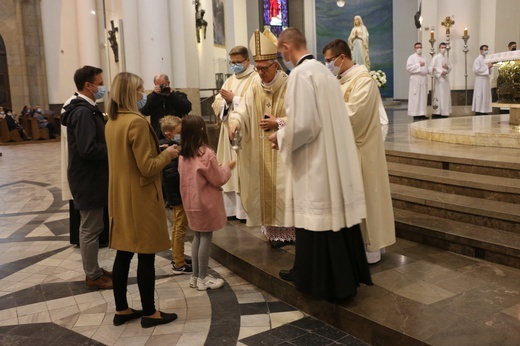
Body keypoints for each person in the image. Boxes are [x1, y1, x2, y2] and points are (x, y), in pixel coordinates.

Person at [271, 27, 372, 301]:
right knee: (332, 223)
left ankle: (319, 281)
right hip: (331, 159)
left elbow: (304, 125)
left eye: (281, 52)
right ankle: (338, 279)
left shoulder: (300, 76)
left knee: (318, 221)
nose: (283, 57)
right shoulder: (325, 74)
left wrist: (280, 136)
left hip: (315, 162)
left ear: (288, 48)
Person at [105, 72, 179, 328]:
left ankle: (122, 309)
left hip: (121, 196)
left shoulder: (112, 121)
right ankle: (150, 313)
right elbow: (147, 167)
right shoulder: (136, 122)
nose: (143, 94)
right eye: (139, 90)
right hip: (140, 196)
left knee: (124, 253)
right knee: (146, 253)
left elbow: (128, 158)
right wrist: (168, 153)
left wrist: (155, 151)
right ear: (130, 93)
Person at [322, 38, 395, 264]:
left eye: (329, 60)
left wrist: (324, 107)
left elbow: (354, 116)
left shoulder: (363, 81)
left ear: (342, 57)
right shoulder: (339, 80)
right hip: (345, 153)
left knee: (366, 200)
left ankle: (369, 249)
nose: (327, 65)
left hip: (362, 153)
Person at [228, 28, 295, 249]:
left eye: (264, 69)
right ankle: (272, 232)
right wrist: (235, 122)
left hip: (284, 150)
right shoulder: (255, 85)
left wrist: (280, 122)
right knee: (264, 189)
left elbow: (303, 117)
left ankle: (289, 231)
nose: (260, 73)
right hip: (260, 149)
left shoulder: (290, 85)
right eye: (257, 68)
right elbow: (243, 109)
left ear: (276, 65)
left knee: (285, 190)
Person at [61, 66, 112, 290]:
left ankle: (94, 269)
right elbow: (88, 149)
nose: (102, 87)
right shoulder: (82, 112)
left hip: (92, 177)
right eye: (100, 83)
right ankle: (92, 275)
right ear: (88, 86)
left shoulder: (87, 109)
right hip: (87, 178)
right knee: (90, 228)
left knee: (94, 225)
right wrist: (114, 149)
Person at [179, 114, 235, 291]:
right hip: (205, 203)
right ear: (202, 130)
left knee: (196, 236)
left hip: (190, 202)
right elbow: (218, 179)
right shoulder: (206, 154)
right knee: (205, 237)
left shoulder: (182, 155)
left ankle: (195, 276)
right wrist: (227, 168)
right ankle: (203, 277)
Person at [212, 45, 256, 221]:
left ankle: (245, 210)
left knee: (242, 169)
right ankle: (231, 210)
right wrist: (224, 102)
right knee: (229, 168)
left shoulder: (255, 79)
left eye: (238, 62)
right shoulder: (229, 81)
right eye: (232, 63)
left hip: (245, 133)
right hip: (227, 130)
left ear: (247, 61)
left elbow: (255, 103)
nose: (235, 66)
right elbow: (216, 102)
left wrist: (234, 100)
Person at [158, 115, 192, 275]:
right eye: (180, 131)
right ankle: (178, 262)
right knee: (180, 227)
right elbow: (171, 175)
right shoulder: (169, 150)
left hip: (178, 192)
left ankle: (178, 256)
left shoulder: (177, 146)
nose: (183, 133)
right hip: (177, 193)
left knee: (178, 226)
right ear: (169, 134)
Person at [139, 74, 192, 138]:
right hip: (158, 133)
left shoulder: (179, 95)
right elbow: (144, 111)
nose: (162, 87)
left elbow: (187, 108)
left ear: (168, 83)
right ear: (155, 85)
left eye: (163, 85)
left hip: (176, 132)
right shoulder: (153, 97)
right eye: (159, 85)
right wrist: (153, 95)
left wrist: (171, 95)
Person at [429, 42, 452, 118]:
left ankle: (445, 112)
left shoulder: (446, 58)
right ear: (439, 48)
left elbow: (450, 67)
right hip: (439, 80)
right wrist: (440, 72)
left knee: (445, 96)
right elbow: (431, 68)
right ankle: (437, 112)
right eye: (442, 47)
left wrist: (447, 68)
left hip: (445, 80)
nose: (443, 49)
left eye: (444, 47)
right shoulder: (435, 58)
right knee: (439, 95)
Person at [406, 42, 429, 121]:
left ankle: (422, 114)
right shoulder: (411, 57)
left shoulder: (424, 57)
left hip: (423, 79)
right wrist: (418, 65)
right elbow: (408, 68)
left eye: (420, 47)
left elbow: (426, 68)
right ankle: (415, 114)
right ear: (414, 49)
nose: (419, 49)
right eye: (417, 47)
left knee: (423, 97)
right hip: (415, 80)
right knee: (416, 97)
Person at [472, 45, 493, 115]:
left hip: (486, 79)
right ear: (481, 50)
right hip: (480, 80)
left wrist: (489, 68)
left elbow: (488, 70)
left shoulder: (487, 59)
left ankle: (485, 109)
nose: (486, 51)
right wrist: (487, 67)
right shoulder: (477, 60)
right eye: (485, 49)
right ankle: (479, 110)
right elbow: (476, 70)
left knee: (486, 95)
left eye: (487, 49)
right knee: (480, 95)